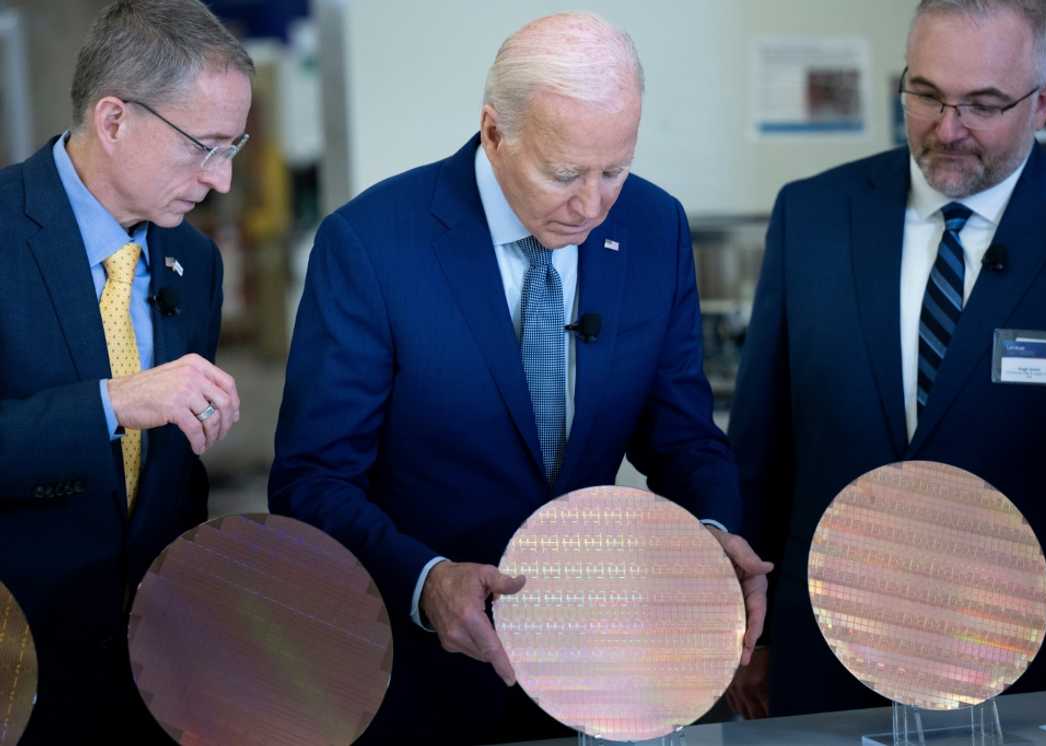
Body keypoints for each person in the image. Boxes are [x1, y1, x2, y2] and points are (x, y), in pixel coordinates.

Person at [270, 11, 771, 744]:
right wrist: (425, 579)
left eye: (615, 169)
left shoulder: (656, 227)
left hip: (598, 666)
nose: (594, 204)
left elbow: (683, 435)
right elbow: (311, 479)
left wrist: (713, 533)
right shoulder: (372, 244)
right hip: (416, 675)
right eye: (564, 173)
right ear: (493, 130)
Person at [727, 0, 1046, 720]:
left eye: (984, 105)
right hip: (829, 664)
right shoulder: (813, 217)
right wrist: (750, 640)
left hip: (1039, 675)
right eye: (926, 94)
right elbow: (760, 451)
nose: (946, 129)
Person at [0, 1, 252, 742]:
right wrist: (113, 402)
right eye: (205, 147)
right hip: (17, 669)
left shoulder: (195, 261)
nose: (225, 180)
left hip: (159, 673)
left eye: (233, 147)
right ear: (113, 120)